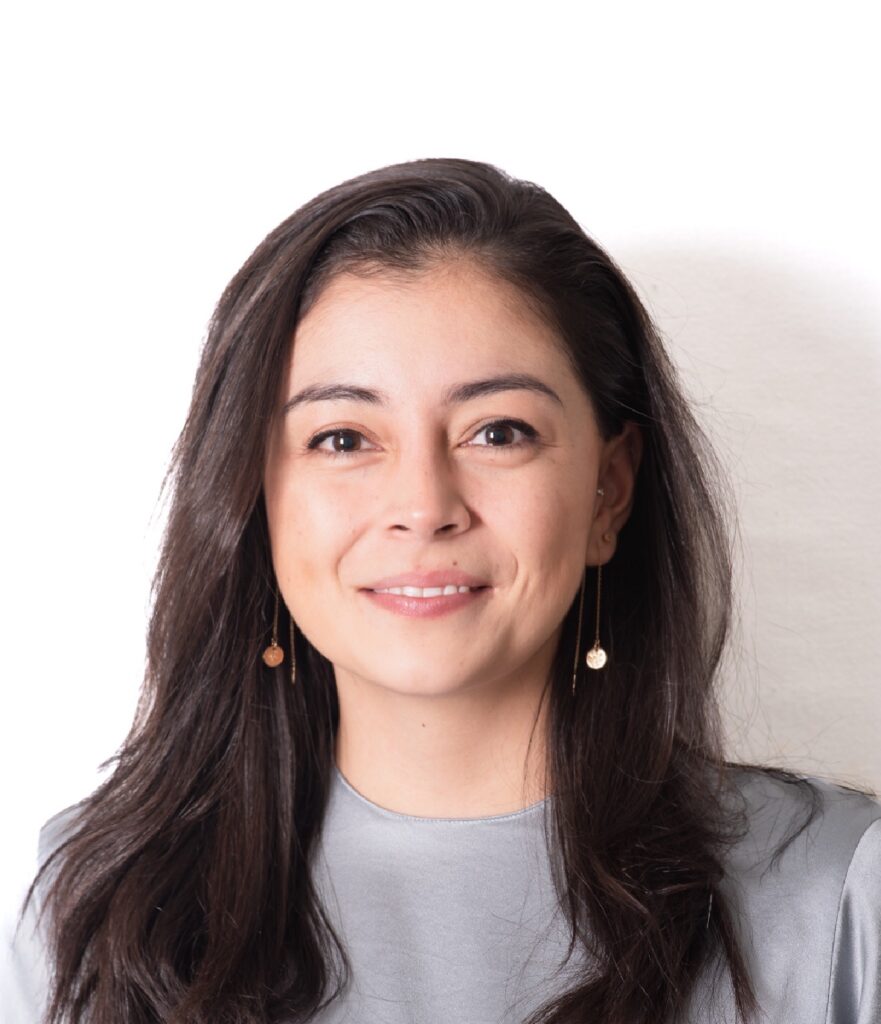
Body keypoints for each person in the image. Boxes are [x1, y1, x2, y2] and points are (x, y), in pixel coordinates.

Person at [7, 158, 881, 1024]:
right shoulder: (97, 905)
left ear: (607, 493)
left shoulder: (833, 895)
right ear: (252, 495)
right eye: (343, 439)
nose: (423, 507)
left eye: (497, 432)